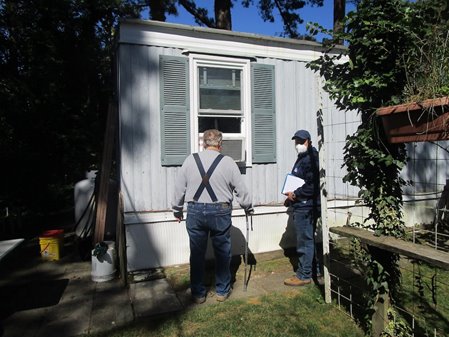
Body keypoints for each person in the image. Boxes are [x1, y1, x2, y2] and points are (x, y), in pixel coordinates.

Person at [172, 129, 253, 303]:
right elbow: (241, 189)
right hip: (220, 212)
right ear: (220, 144)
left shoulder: (190, 160)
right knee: (223, 252)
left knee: (197, 253)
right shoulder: (228, 162)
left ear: (203, 143)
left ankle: (198, 293)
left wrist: (177, 210)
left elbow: (179, 188)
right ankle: (222, 291)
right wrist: (248, 206)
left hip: (195, 211)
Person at [283, 129, 321, 286]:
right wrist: (290, 197)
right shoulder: (303, 158)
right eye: (296, 141)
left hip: (306, 206)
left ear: (309, 141)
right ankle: (315, 270)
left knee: (305, 240)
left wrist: (296, 194)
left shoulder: (311, 159)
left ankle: (304, 275)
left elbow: (313, 186)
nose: (298, 144)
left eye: (301, 141)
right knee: (309, 239)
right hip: (301, 204)